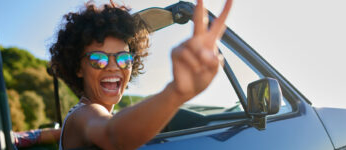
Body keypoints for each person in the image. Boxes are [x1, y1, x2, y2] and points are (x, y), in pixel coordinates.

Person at [49, 0, 233, 149]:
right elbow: (112, 136)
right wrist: (176, 92)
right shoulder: (84, 114)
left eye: (123, 59)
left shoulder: (99, 114)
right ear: (78, 68)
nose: (113, 67)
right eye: (98, 59)